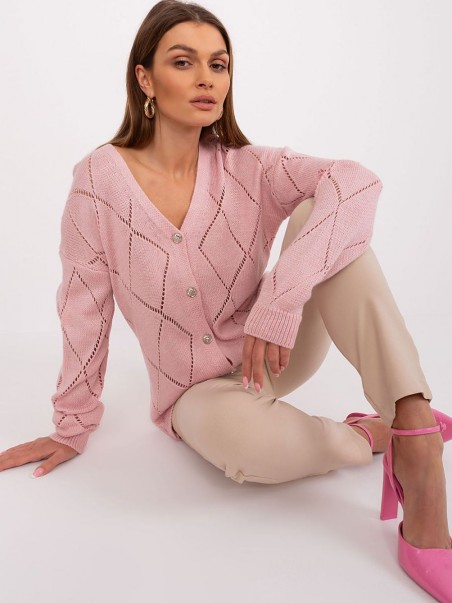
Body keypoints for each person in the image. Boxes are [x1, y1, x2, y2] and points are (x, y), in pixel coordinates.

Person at [0, 1, 450, 599]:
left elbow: (357, 180)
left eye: (219, 64)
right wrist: (72, 425)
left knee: (327, 217)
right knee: (251, 450)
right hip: (195, 395)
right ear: (144, 79)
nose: (207, 79)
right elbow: (84, 305)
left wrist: (281, 298)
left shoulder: (248, 167)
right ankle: (374, 437)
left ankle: (416, 434)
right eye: (183, 62)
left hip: (274, 351)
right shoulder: (99, 181)